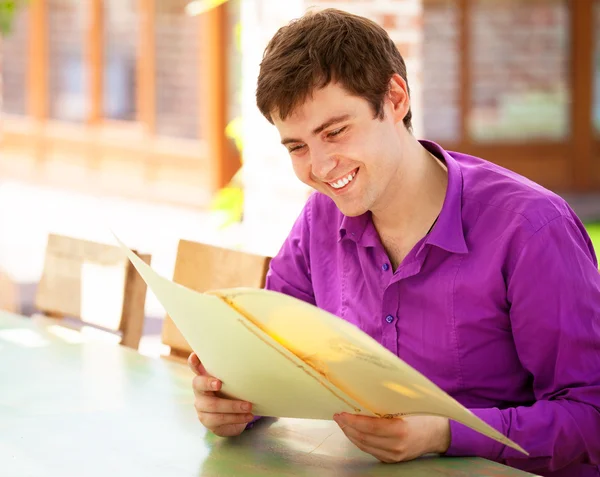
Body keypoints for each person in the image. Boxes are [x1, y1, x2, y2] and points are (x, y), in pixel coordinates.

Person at [189, 8, 600, 477]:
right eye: (297, 147)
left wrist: (444, 433)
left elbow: (590, 416)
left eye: (335, 131)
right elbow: (275, 360)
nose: (320, 167)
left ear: (395, 98)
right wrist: (235, 401)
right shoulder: (321, 219)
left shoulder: (530, 229)